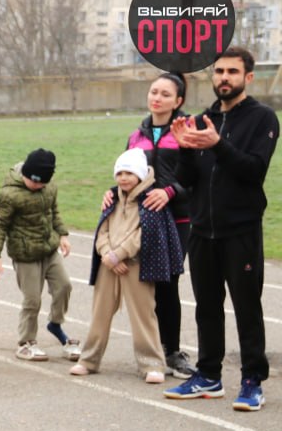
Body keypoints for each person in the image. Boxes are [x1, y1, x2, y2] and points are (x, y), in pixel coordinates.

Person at [165, 47, 278, 410]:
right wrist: (183, 149)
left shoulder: (263, 119)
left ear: (248, 77)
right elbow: (185, 181)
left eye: (232, 71)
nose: (223, 78)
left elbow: (252, 170)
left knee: (247, 307)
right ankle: (208, 376)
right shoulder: (200, 119)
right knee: (207, 307)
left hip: (240, 230)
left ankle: (251, 381)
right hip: (202, 231)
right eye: (218, 72)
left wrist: (218, 145)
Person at [107, 72, 196, 378]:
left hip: (177, 217)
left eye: (165, 94)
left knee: (168, 282)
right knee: (146, 284)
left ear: (179, 101)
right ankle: (152, 351)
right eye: (153, 91)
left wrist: (170, 192)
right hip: (142, 218)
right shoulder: (137, 135)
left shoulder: (188, 130)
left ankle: (172, 352)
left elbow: (198, 177)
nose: (157, 98)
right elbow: (126, 173)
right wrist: (111, 192)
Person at [70, 149, 183, 382]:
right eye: (119, 172)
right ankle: (89, 360)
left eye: (129, 173)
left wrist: (119, 255)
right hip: (108, 265)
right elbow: (102, 230)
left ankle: (152, 364)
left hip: (137, 266)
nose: (123, 178)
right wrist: (107, 255)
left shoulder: (150, 200)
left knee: (143, 315)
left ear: (140, 174)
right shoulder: (112, 197)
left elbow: (145, 235)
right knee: (100, 314)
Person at [0, 148, 79, 362]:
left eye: (42, 183)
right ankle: (26, 342)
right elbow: (0, 225)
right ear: (25, 174)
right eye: (33, 181)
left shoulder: (49, 188)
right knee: (32, 300)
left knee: (64, 286)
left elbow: (53, 212)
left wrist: (63, 234)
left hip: (49, 249)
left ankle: (55, 323)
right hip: (25, 255)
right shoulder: (10, 195)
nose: (37, 186)